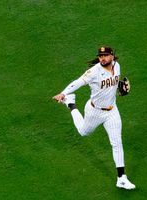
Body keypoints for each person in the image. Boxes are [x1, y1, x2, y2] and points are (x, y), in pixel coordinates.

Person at [52, 45, 135, 190]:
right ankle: (70, 103)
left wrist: (119, 87)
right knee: (83, 132)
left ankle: (121, 178)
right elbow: (77, 82)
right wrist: (63, 93)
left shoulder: (117, 66)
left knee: (117, 142)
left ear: (112, 56)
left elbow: (112, 85)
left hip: (112, 111)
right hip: (94, 112)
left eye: (105, 55)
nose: (102, 58)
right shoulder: (94, 72)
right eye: (100, 56)